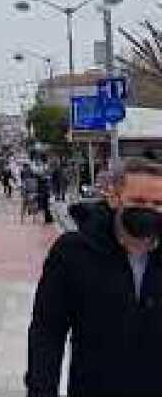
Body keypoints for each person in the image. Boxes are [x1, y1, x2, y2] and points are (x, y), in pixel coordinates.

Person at [26, 158, 162, 396]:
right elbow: (48, 331)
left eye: (158, 204)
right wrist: (41, 389)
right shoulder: (73, 253)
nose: (149, 210)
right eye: (138, 201)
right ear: (113, 198)